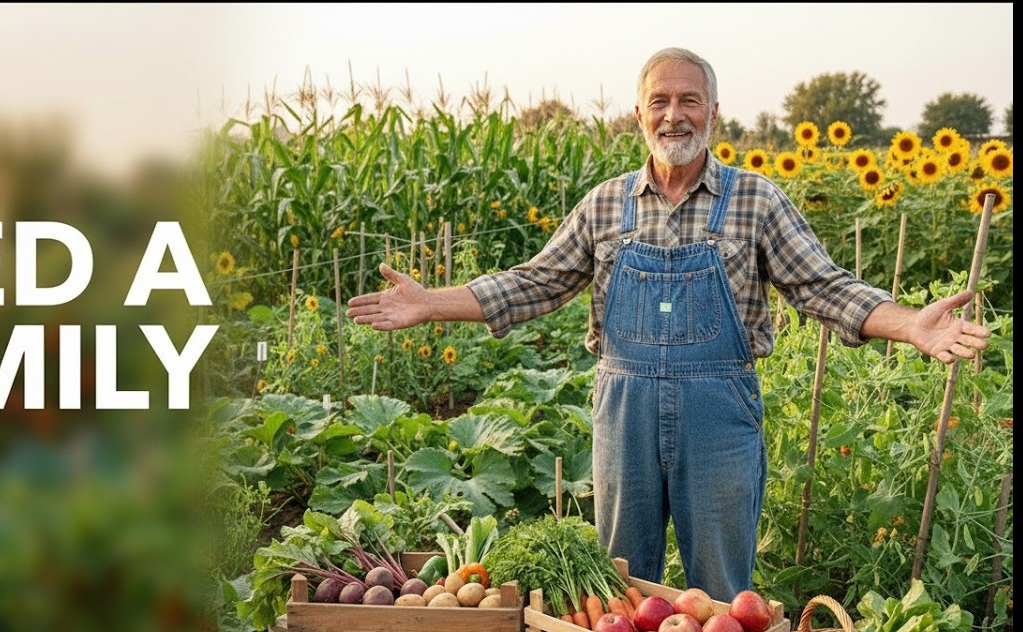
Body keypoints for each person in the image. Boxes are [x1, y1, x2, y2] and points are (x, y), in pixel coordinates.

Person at [345, 47, 992, 600]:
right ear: (638, 114)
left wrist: (911, 325)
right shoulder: (605, 205)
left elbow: (824, 287)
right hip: (623, 409)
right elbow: (536, 283)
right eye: (659, 101)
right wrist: (432, 301)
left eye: (689, 100)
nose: (673, 114)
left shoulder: (756, 200)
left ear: (714, 113)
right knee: (619, 581)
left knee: (721, 587)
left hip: (718, 411)